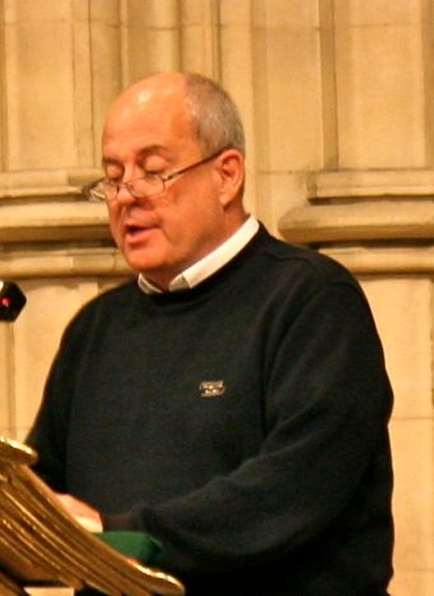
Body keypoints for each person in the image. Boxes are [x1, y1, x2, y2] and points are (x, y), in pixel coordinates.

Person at [26, 71, 394, 596]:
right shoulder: (95, 329)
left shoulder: (312, 301)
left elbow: (291, 491)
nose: (126, 196)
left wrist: (121, 535)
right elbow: (43, 488)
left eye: (152, 172)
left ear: (226, 175)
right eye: (113, 176)